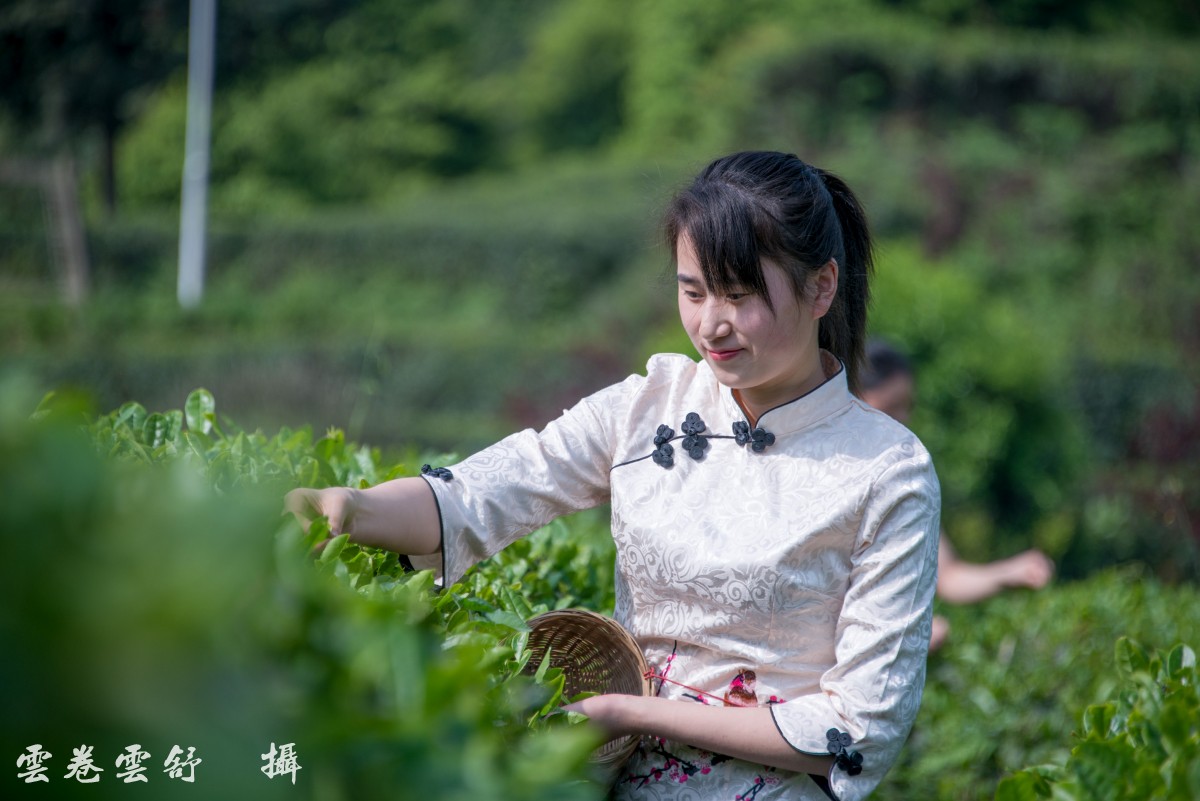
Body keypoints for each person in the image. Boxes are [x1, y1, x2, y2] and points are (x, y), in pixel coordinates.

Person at [286, 152, 941, 801]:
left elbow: (859, 726)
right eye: (693, 292)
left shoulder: (887, 470)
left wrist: (630, 712)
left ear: (821, 287)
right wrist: (352, 507)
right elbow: (481, 495)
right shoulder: (646, 406)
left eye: (739, 296)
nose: (710, 324)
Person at [859, 340, 1054, 651]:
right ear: (855, 398)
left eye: (908, 407)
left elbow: (948, 575)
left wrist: (1008, 573)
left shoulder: (903, 483)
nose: (904, 419)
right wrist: (898, 636)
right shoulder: (819, 477)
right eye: (892, 407)